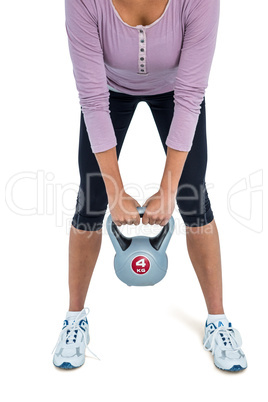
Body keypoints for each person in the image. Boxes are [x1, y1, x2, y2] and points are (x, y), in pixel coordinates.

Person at [52, 0, 247, 371]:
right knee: (92, 200)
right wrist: (115, 190)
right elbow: (93, 100)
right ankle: (74, 318)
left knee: (193, 199)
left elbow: (190, 96)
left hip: (176, 92)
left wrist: (169, 187)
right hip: (108, 91)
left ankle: (218, 322)